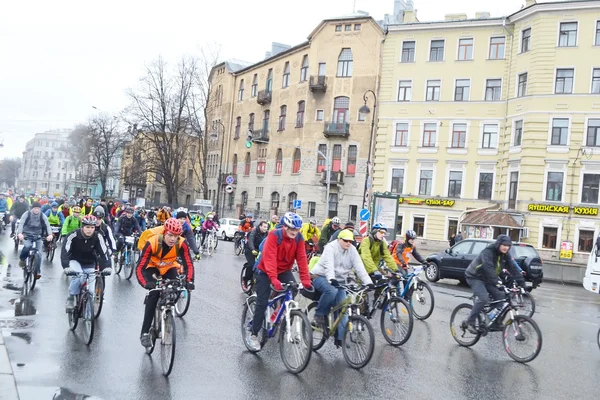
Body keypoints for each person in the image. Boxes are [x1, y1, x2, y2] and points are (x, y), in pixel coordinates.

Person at [247, 212, 312, 352]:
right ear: (285, 227)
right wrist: (273, 278)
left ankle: (279, 312)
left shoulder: (299, 238)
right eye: (292, 228)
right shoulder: (274, 235)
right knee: (262, 302)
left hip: (283, 271)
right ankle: (253, 334)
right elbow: (269, 258)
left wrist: (306, 279)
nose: (295, 231)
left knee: (293, 289)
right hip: (265, 271)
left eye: (297, 229)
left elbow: (301, 259)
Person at [136, 218, 195, 347]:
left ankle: (166, 309)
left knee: (175, 288)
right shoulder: (152, 243)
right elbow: (140, 267)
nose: (173, 239)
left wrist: (189, 281)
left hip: (168, 267)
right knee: (154, 294)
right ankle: (145, 332)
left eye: (176, 236)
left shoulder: (181, 243)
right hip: (152, 268)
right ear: (164, 233)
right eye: (170, 235)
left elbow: (188, 263)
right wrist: (146, 283)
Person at [310, 229, 373, 345]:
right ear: (339, 239)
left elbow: (359, 268)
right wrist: (331, 279)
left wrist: (368, 282)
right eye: (345, 241)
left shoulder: (352, 250)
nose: (348, 243)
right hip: (320, 276)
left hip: (339, 280)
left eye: (350, 241)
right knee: (331, 291)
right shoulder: (330, 248)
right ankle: (319, 315)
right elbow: (329, 265)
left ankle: (340, 338)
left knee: (343, 306)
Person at [463, 235, 525, 333]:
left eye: (508, 245)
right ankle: (470, 321)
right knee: (484, 298)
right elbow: (488, 268)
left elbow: (513, 268)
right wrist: (497, 282)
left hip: (488, 279)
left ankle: (493, 321)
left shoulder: (505, 254)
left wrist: (522, 283)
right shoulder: (488, 252)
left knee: (501, 296)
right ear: (498, 244)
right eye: (504, 245)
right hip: (475, 277)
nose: (506, 247)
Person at [61, 215, 112, 312]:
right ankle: (71, 297)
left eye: (92, 227)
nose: (90, 230)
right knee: (79, 276)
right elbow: (65, 251)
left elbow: (104, 252)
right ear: (82, 227)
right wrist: (66, 266)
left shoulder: (98, 236)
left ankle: (89, 311)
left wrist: (108, 266)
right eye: (87, 227)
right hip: (75, 260)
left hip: (90, 262)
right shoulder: (73, 235)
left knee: (91, 291)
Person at [17, 202, 53, 279]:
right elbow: (21, 223)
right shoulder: (27, 214)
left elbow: (47, 224)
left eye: (38, 208)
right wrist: (20, 233)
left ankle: (38, 272)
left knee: (39, 253)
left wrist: (50, 234)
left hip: (38, 235)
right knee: (28, 246)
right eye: (35, 208)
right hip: (27, 234)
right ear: (32, 208)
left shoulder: (42, 215)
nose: (36, 210)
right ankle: (22, 259)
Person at [242, 220, 268, 290]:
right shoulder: (254, 232)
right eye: (264, 227)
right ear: (260, 226)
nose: (265, 228)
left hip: (260, 250)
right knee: (251, 265)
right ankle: (245, 280)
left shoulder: (267, 234)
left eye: (266, 227)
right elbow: (251, 240)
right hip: (250, 249)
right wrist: (252, 249)